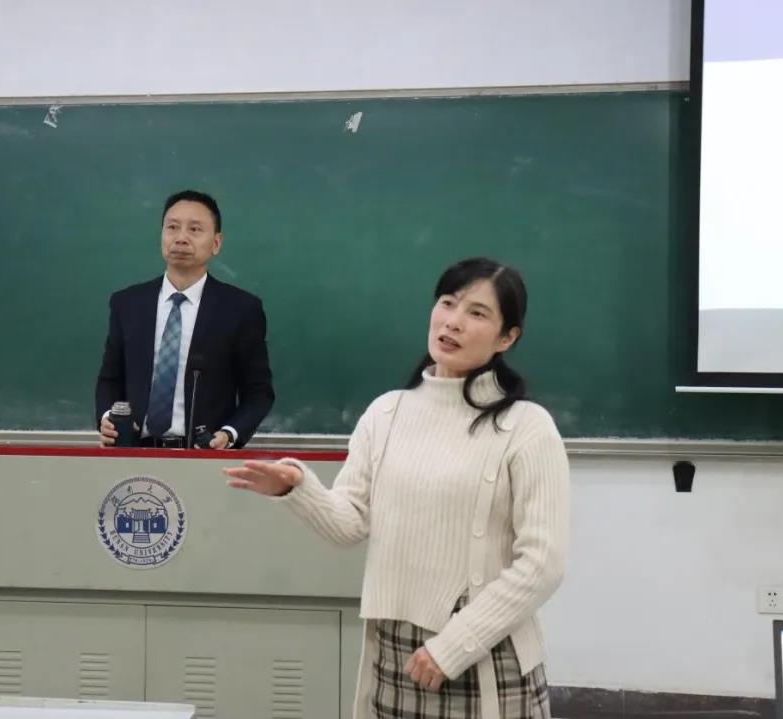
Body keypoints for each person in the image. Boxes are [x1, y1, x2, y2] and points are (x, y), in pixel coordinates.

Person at [225, 257, 569, 718]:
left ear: (507, 338)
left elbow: (542, 564)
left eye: (477, 313)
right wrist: (298, 489)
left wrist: (454, 646)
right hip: (394, 656)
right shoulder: (386, 413)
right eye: (448, 303)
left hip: (483, 659)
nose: (453, 322)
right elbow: (348, 525)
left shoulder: (526, 427)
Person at [95, 190, 274, 449]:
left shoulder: (241, 309)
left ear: (216, 243)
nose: (181, 238)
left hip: (203, 455)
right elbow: (110, 379)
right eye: (172, 227)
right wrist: (107, 419)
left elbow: (258, 392)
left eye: (194, 229)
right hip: (133, 452)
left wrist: (228, 435)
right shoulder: (128, 303)